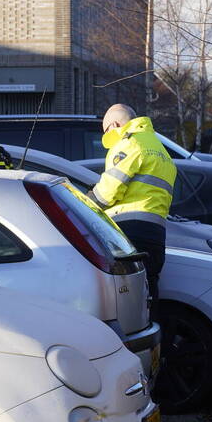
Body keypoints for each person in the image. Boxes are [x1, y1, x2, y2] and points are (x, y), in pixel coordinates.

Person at [88, 104, 176, 318]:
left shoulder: (130, 143)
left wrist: (86, 202)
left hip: (128, 230)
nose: (107, 138)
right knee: (149, 291)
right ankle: (155, 344)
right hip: (156, 232)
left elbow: (108, 191)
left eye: (107, 131)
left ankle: (130, 346)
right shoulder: (160, 149)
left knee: (126, 296)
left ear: (116, 125)